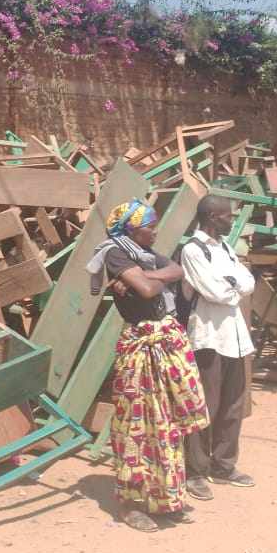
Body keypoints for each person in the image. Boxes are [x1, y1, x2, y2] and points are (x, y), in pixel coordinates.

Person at [85, 199, 208, 532]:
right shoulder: (114, 253)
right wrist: (144, 279)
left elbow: (177, 270)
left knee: (165, 424)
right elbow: (146, 289)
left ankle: (164, 500)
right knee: (137, 426)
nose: (155, 231)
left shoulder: (143, 255)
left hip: (163, 345)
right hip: (140, 349)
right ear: (131, 229)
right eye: (149, 227)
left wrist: (145, 274)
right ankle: (131, 504)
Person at [179, 195, 257, 501]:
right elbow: (215, 292)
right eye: (228, 216)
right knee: (205, 407)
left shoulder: (224, 248)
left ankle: (223, 465)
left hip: (234, 338)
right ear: (212, 217)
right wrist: (233, 286)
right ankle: (195, 471)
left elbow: (248, 281)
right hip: (209, 339)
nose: (232, 221)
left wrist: (231, 284)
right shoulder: (192, 250)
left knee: (233, 405)